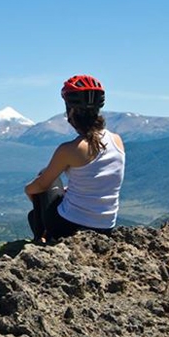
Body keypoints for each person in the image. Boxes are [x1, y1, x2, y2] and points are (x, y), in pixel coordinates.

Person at [24, 75, 125, 242]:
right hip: (106, 228)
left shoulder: (69, 149)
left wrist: (28, 190)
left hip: (68, 227)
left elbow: (41, 185)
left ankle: (40, 236)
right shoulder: (117, 141)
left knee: (46, 177)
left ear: (70, 110)